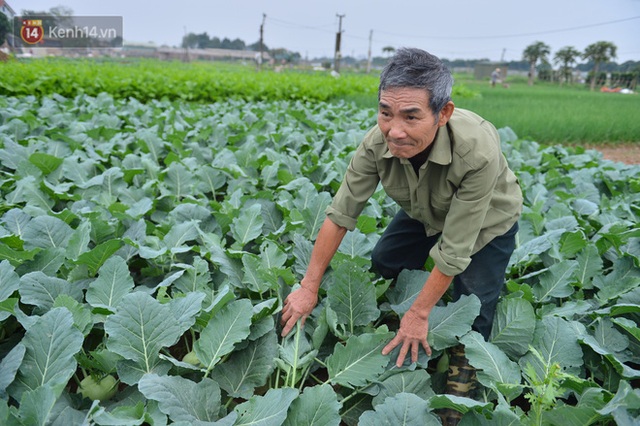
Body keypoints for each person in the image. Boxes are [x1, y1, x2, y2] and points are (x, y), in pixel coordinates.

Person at [280, 47, 522, 422]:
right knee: (383, 262)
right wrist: (308, 286)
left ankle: (458, 398)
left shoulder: (477, 150)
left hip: (488, 219)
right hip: (423, 210)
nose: (395, 129)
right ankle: (381, 337)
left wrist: (420, 312)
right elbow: (341, 213)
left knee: (474, 299)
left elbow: (455, 248)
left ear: (443, 114)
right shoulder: (377, 144)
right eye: (385, 112)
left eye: (411, 116)